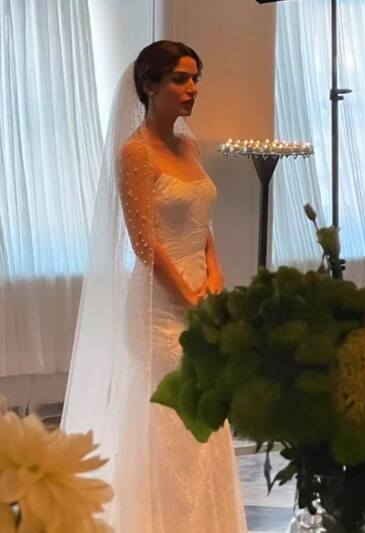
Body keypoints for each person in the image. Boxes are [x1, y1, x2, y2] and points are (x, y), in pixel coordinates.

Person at [62, 40, 247, 533]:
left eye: (195, 79)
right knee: (171, 420)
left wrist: (215, 274)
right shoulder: (135, 153)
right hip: (159, 308)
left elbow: (202, 222)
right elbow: (144, 242)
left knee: (206, 415)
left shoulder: (190, 146)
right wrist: (187, 297)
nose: (192, 89)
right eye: (180, 79)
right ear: (149, 85)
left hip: (202, 295)